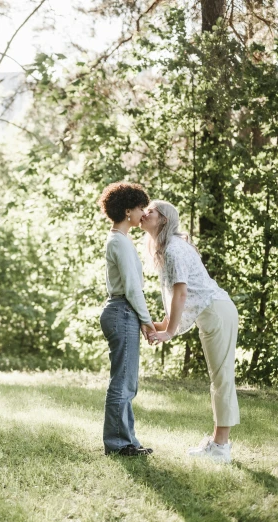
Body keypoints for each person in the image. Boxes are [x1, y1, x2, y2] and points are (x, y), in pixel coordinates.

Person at [141, 200, 240, 463]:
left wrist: (169, 332)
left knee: (221, 379)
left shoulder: (174, 249)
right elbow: (177, 299)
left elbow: (182, 293)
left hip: (218, 312)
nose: (144, 213)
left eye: (150, 210)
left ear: (163, 219)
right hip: (213, 313)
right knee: (218, 379)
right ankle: (219, 444)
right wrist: (157, 326)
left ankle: (221, 448)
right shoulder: (168, 248)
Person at [98, 182, 156, 457]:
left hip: (122, 311)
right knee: (122, 381)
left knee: (127, 381)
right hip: (122, 311)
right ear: (127, 210)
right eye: (141, 208)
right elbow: (132, 288)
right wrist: (147, 321)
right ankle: (118, 444)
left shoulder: (121, 240)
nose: (144, 213)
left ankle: (128, 441)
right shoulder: (118, 241)